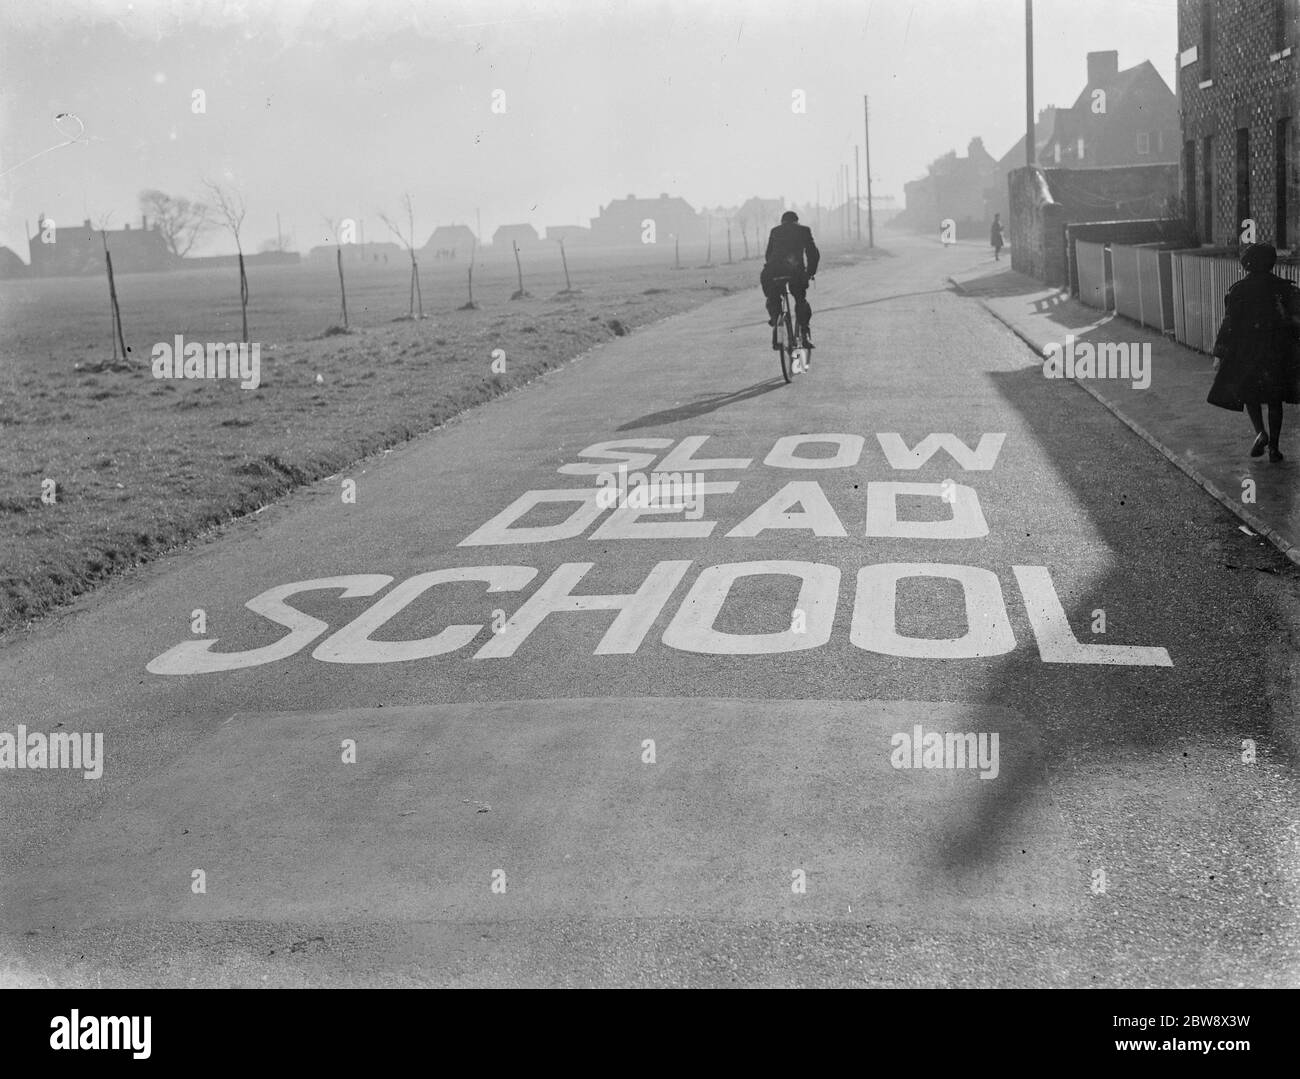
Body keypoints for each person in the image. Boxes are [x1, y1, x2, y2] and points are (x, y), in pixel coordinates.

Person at [1207, 242, 1300, 462]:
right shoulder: (1284, 288)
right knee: (1275, 400)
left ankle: (1261, 433)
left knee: (1251, 395)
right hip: (1276, 353)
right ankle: (1275, 448)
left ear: (1247, 264)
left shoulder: (1239, 290)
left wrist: (1219, 352)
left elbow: (1229, 324)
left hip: (1247, 353)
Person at [761, 210, 820, 345]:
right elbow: (813, 253)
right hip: (795, 272)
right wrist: (810, 272)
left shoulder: (775, 231)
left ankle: (776, 323)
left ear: (782, 222)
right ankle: (805, 334)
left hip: (772, 272)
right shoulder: (804, 230)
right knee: (800, 299)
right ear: (796, 221)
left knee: (773, 298)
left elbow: (768, 255)